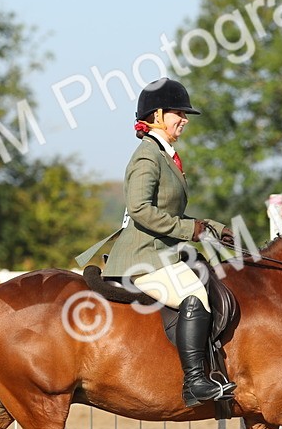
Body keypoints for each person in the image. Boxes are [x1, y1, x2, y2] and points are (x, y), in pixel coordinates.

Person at [101, 77, 237, 407]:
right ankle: (194, 383)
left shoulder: (166, 154)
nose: (185, 120)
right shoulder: (149, 156)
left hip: (161, 251)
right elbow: (141, 210)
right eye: (180, 113)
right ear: (158, 115)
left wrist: (214, 228)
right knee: (194, 295)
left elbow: (169, 209)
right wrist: (191, 230)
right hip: (143, 255)